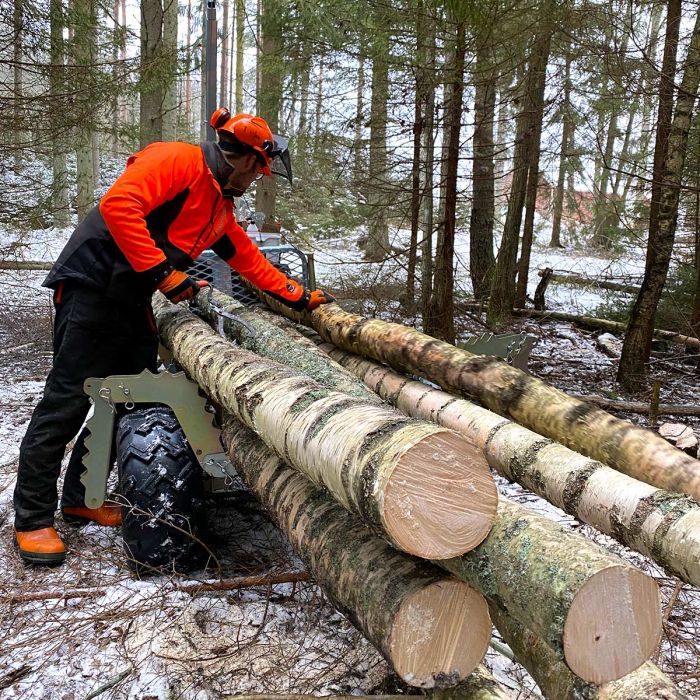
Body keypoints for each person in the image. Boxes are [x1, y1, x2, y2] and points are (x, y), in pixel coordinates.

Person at [13, 108, 334, 565]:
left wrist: (300, 297)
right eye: (259, 171)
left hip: (131, 299)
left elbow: (248, 260)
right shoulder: (177, 161)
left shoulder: (219, 209)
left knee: (129, 395)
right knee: (67, 400)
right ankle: (32, 519)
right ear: (244, 160)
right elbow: (118, 207)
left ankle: (81, 497)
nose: (256, 180)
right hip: (91, 288)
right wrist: (165, 273)